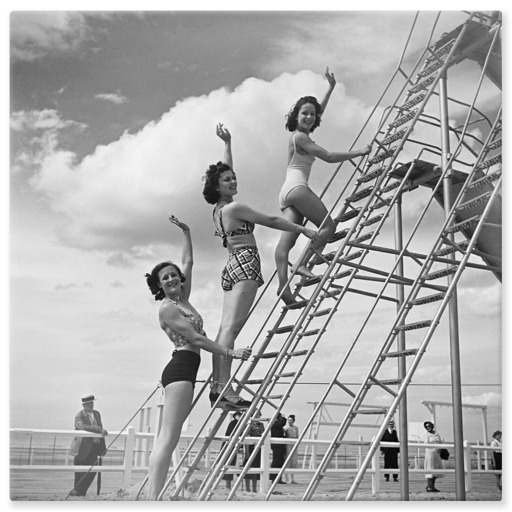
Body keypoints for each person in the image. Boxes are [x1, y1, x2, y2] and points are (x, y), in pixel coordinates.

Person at [203, 124, 319, 407]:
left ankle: (219, 387)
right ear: (217, 187)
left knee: (223, 330)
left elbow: (223, 170)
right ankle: (225, 390)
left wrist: (228, 143)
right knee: (231, 330)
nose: (232, 181)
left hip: (231, 266)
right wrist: (302, 230)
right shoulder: (234, 208)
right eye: (227, 180)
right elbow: (272, 221)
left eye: (234, 178)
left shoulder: (218, 209)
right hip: (245, 264)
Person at [144, 216, 252, 500]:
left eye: (173, 274)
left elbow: (188, 263)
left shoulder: (183, 299)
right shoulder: (168, 308)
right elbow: (198, 340)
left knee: (170, 438)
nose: (171, 278)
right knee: (168, 439)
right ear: (159, 285)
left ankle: (153, 497)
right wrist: (231, 352)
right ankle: (153, 499)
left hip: (186, 369)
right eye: (164, 277)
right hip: (180, 369)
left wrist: (187, 231)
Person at [274, 67, 372, 304]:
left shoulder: (300, 134)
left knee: (286, 242)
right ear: (295, 116)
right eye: (304, 114)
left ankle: (283, 289)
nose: (309, 117)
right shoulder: (300, 137)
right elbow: (327, 156)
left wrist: (330, 88)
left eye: (312, 114)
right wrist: (358, 152)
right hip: (297, 188)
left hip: (286, 191)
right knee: (328, 226)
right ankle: (302, 264)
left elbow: (318, 112)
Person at [69, 394, 108, 497]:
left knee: (93, 470)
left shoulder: (97, 414)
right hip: (81, 448)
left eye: (91, 403)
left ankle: (77, 491)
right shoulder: (79, 416)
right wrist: (99, 430)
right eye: (87, 404)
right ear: (83, 405)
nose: (90, 405)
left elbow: (100, 427)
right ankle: (79, 495)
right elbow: (83, 427)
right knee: (79, 473)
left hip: (94, 447)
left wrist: (102, 446)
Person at [244, 410, 265, 493]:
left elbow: (263, 435)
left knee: (256, 468)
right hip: (250, 447)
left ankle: (254, 489)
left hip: (258, 447)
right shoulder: (249, 424)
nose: (257, 416)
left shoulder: (261, 425)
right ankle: (247, 489)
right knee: (248, 468)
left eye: (258, 415)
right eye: (255, 415)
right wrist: (247, 451)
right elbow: (247, 437)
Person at [223, 411, 242, 489]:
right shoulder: (233, 423)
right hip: (229, 446)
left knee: (231, 464)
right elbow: (230, 434)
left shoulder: (239, 423)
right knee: (229, 465)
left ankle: (228, 486)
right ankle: (228, 486)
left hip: (233, 446)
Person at [423, 421, 443, 492]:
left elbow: (440, 442)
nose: (428, 427)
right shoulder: (426, 435)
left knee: (435, 471)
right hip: (430, 454)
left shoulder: (437, 434)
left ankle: (432, 486)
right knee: (430, 470)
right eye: (426, 426)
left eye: (429, 426)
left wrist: (439, 449)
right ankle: (429, 486)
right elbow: (426, 444)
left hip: (436, 454)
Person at [270, 412, 287, 484]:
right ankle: (274, 478)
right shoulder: (275, 424)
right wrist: (283, 417)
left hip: (280, 445)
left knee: (280, 462)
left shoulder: (278, 425)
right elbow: (282, 423)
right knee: (276, 462)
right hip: (277, 446)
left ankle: (278, 478)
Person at [283, 414, 299, 483]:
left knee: (293, 462)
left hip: (294, 445)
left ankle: (292, 479)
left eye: (291, 420)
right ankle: (287, 478)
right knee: (287, 461)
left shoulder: (296, 428)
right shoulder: (285, 428)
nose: (290, 422)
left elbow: (297, 436)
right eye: (289, 420)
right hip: (287, 445)